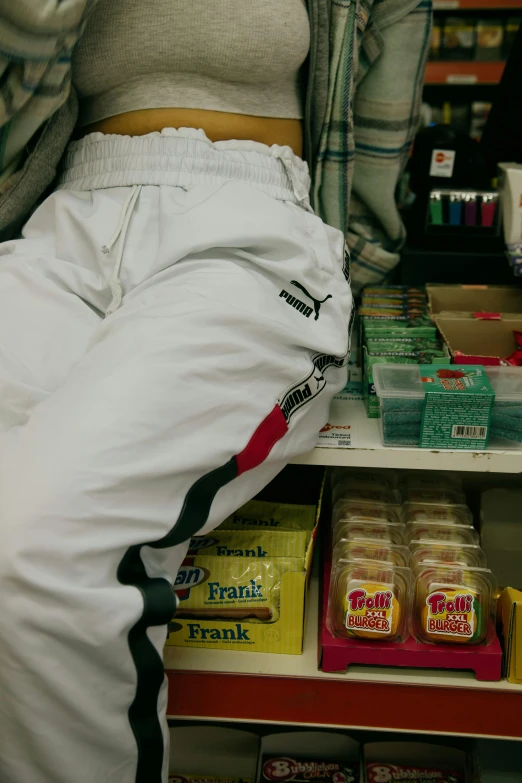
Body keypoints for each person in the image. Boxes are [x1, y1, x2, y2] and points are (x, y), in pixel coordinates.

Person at [0, 2, 430, 782]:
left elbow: (377, 161)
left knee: (39, 548)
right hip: (62, 223)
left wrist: (333, 275)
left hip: (248, 222)